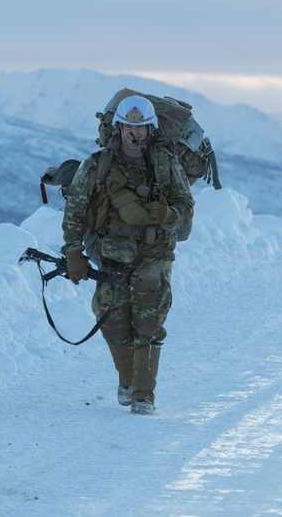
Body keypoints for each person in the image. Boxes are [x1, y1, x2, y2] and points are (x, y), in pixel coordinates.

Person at [61, 94, 195, 415]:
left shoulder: (165, 164)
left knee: (148, 321)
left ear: (151, 129)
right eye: (128, 128)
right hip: (113, 253)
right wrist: (73, 252)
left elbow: (185, 210)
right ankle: (127, 378)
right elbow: (76, 209)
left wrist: (167, 215)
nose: (134, 134)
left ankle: (143, 394)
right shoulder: (99, 165)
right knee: (112, 319)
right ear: (118, 128)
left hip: (155, 251)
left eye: (142, 128)